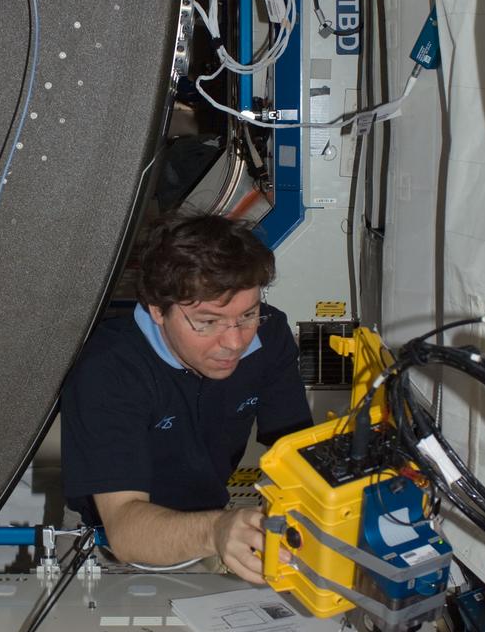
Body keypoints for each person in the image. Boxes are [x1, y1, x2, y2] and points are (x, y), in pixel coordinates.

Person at [60, 212, 312, 583]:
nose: (234, 342)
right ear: (158, 310)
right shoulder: (109, 369)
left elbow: (294, 452)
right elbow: (125, 528)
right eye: (207, 322)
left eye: (248, 314)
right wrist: (217, 531)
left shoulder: (269, 336)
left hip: (212, 525)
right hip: (110, 545)